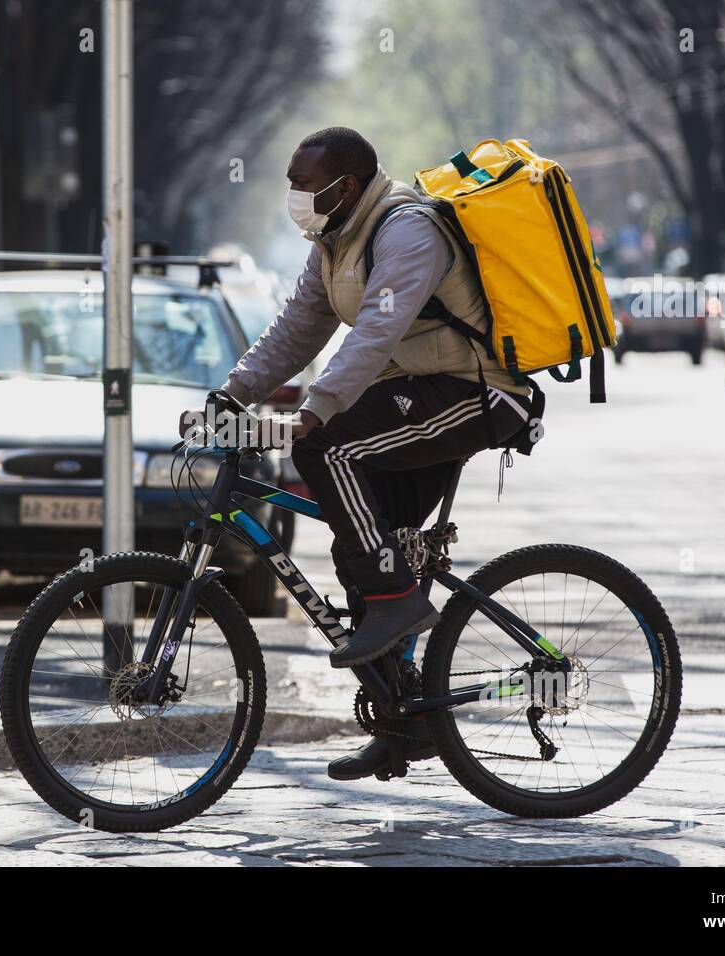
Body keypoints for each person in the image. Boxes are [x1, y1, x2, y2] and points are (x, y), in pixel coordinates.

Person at [182, 127, 532, 780]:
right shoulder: (332, 243)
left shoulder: (405, 232)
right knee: (359, 547)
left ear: (344, 186)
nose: (293, 194)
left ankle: (399, 600)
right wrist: (231, 396)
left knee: (330, 449)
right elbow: (294, 330)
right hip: (413, 395)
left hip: (476, 393)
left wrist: (319, 406)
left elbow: (376, 330)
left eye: (302, 182)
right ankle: (406, 719)